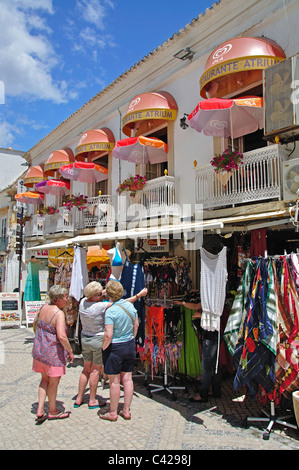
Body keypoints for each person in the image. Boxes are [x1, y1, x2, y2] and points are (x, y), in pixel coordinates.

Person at [74, 281, 147, 410]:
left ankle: (79, 398)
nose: (101, 295)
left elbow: (93, 296)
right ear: (94, 296)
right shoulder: (100, 307)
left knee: (86, 369)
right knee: (95, 370)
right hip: (98, 339)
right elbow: (121, 304)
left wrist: (103, 292)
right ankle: (92, 399)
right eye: (99, 294)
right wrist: (138, 296)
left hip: (85, 338)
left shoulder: (83, 303)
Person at [100, 280, 141, 421]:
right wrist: (131, 339)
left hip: (115, 347)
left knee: (115, 381)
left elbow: (108, 334)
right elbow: (136, 325)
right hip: (129, 345)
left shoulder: (110, 311)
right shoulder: (130, 306)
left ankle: (113, 413)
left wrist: (103, 346)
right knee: (128, 378)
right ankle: (126, 410)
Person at [32, 285, 74, 422]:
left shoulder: (44, 308)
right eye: (65, 297)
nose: (68, 299)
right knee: (53, 383)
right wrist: (70, 350)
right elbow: (62, 336)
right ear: (57, 299)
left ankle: (40, 409)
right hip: (52, 353)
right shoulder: (59, 314)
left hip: (40, 351)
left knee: (44, 380)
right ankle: (52, 410)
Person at [174, 299, 222, 403]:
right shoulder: (212, 295)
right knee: (214, 366)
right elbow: (196, 306)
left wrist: (200, 316)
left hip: (211, 336)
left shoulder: (213, 298)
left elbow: (215, 317)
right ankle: (215, 391)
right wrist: (182, 303)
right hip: (214, 335)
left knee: (207, 367)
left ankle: (203, 394)